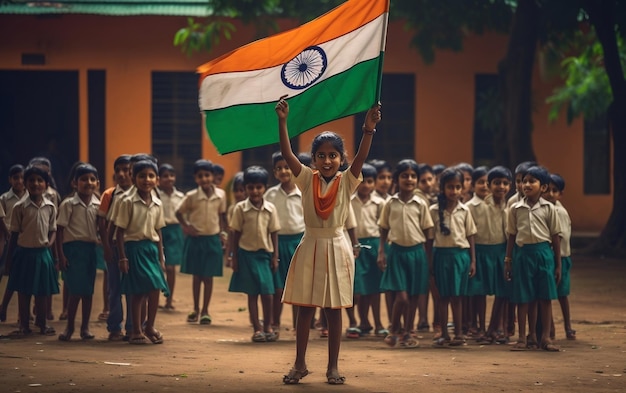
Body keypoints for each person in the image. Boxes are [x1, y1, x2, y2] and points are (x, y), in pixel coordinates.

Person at [276, 95, 380, 385]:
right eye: (320, 155)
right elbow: (287, 155)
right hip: (310, 245)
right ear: (312, 159)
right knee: (306, 309)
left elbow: (361, 157)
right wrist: (283, 122)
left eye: (333, 155)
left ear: (341, 159)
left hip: (336, 246)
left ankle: (333, 367)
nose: (326, 160)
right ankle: (299, 364)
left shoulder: (347, 181)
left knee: (334, 311)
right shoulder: (306, 179)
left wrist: (367, 129)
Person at [378, 159, 434, 348]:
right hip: (396, 253)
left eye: (412, 176)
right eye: (404, 176)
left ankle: (408, 332)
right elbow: (383, 228)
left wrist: (428, 257)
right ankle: (394, 329)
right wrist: (381, 252)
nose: (409, 179)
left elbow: (428, 232)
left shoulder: (421, 204)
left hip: (417, 252)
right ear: (397, 179)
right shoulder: (390, 203)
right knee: (400, 296)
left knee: (414, 296)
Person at [505, 166, 561, 352]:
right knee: (523, 298)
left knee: (544, 297)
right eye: (524, 181)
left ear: (543, 187)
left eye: (532, 181)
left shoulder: (549, 209)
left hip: (544, 254)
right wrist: (508, 259)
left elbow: (555, 237)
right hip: (522, 255)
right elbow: (512, 235)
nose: (526, 184)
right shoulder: (515, 208)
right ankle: (524, 337)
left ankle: (545, 337)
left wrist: (558, 264)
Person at [115, 160, 169, 344]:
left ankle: (149, 326)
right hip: (134, 249)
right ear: (133, 178)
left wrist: (161, 257)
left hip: (151, 250)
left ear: (157, 179)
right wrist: (122, 257)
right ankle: (136, 330)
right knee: (138, 291)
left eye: (151, 176)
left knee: (155, 288)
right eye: (142, 176)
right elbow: (120, 231)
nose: (147, 180)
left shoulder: (157, 203)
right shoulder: (127, 201)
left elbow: (159, 230)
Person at [5, 165, 59, 336]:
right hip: (24, 253)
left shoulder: (50, 206)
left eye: (39, 180)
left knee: (42, 291)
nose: (35, 184)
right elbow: (13, 235)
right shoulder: (19, 207)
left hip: (43, 254)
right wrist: (9, 259)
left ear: (46, 184)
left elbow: (53, 230)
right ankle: (24, 325)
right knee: (24, 290)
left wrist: (49, 244)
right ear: (25, 184)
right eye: (31, 180)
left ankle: (42, 324)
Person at [228, 166, 280, 342]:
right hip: (246, 255)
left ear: (265, 187)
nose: (255, 191)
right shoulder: (240, 209)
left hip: (264, 256)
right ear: (245, 188)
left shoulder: (271, 209)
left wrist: (274, 257)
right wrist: (233, 257)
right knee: (252, 293)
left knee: (267, 293)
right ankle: (257, 328)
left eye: (259, 187)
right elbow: (235, 234)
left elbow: (274, 233)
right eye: (250, 187)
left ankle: (268, 326)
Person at [428, 167, 477, 347]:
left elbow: (471, 236)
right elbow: (430, 239)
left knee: (457, 297)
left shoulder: (465, 211)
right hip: (440, 256)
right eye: (450, 187)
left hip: (460, 258)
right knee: (442, 297)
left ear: (462, 188)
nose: (454, 191)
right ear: (442, 188)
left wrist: (473, 261)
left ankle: (458, 334)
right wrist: (430, 262)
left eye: (457, 187)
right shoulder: (433, 211)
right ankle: (444, 334)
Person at [176, 159, 227, 325]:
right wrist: (186, 227)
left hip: (212, 239)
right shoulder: (191, 196)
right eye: (200, 176)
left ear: (213, 176)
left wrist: (222, 233)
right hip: (196, 239)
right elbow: (178, 212)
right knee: (197, 276)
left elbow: (221, 216)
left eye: (207, 175)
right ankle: (196, 308)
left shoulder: (221, 195)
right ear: (195, 178)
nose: (204, 179)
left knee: (209, 276)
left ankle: (205, 310)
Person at [56, 163, 101, 341]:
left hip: (90, 250)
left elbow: (102, 228)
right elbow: (59, 231)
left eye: (92, 179)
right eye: (83, 179)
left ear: (97, 183)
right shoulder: (68, 204)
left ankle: (85, 328)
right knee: (75, 291)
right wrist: (61, 255)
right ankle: (69, 327)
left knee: (88, 291)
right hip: (72, 250)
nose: (88, 183)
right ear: (75, 183)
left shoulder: (98, 204)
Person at [264, 152, 304, 336]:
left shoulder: (303, 192)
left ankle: (298, 326)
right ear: (274, 172)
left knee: (298, 287)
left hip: (299, 242)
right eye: (279, 168)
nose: (284, 171)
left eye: (287, 167)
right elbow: (266, 220)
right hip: (278, 243)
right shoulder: (270, 195)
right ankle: (275, 324)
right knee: (277, 288)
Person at [472, 166, 513, 345]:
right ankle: (481, 328)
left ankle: (495, 328)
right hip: (482, 250)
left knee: (501, 292)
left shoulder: (510, 207)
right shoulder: (477, 206)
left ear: (510, 186)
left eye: (505, 183)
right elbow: (471, 234)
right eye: (496, 183)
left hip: (501, 252)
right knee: (480, 291)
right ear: (489, 185)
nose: (501, 187)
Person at [97, 154, 133, 341]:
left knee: (134, 288)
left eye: (126, 170)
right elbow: (102, 222)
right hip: (113, 246)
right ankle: (114, 326)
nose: (121, 174)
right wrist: (106, 246)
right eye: (118, 170)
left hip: (133, 247)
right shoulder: (109, 195)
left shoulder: (139, 193)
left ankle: (133, 326)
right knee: (114, 287)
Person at [349, 163, 386, 338]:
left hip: (375, 246)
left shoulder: (380, 203)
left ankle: (378, 323)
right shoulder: (349, 200)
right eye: (362, 182)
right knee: (357, 289)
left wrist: (382, 249)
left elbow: (384, 228)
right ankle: (360, 321)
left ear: (374, 183)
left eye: (370, 181)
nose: (366, 185)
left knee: (374, 288)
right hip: (355, 247)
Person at [543, 173, 575, 341]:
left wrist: (557, 263)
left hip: (560, 257)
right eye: (547, 189)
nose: (550, 194)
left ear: (560, 194)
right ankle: (552, 328)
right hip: (552, 257)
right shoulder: (545, 209)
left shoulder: (559, 211)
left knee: (561, 294)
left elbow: (559, 237)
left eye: (555, 191)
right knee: (549, 293)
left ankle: (567, 327)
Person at [464, 166, 490, 337]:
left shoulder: (496, 204)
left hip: (491, 251)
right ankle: (472, 323)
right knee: (474, 290)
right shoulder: (469, 207)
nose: (485, 186)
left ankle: (484, 325)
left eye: (488, 182)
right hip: (475, 251)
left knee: (485, 290)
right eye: (481, 182)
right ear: (473, 185)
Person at [0, 164, 26, 322]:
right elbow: (1, 219)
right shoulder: (4, 198)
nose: (19, 181)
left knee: (18, 276)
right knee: (5, 272)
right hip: (6, 242)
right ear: (10, 179)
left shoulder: (29, 197)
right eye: (16, 178)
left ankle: (12, 310)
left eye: (22, 177)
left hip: (24, 241)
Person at [157, 163, 185, 310]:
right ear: (159, 179)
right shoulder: (155, 195)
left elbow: (185, 215)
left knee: (170, 267)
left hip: (174, 232)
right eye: (165, 176)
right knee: (158, 266)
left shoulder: (180, 196)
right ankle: (156, 297)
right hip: (160, 230)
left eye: (171, 175)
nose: (169, 179)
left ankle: (169, 299)